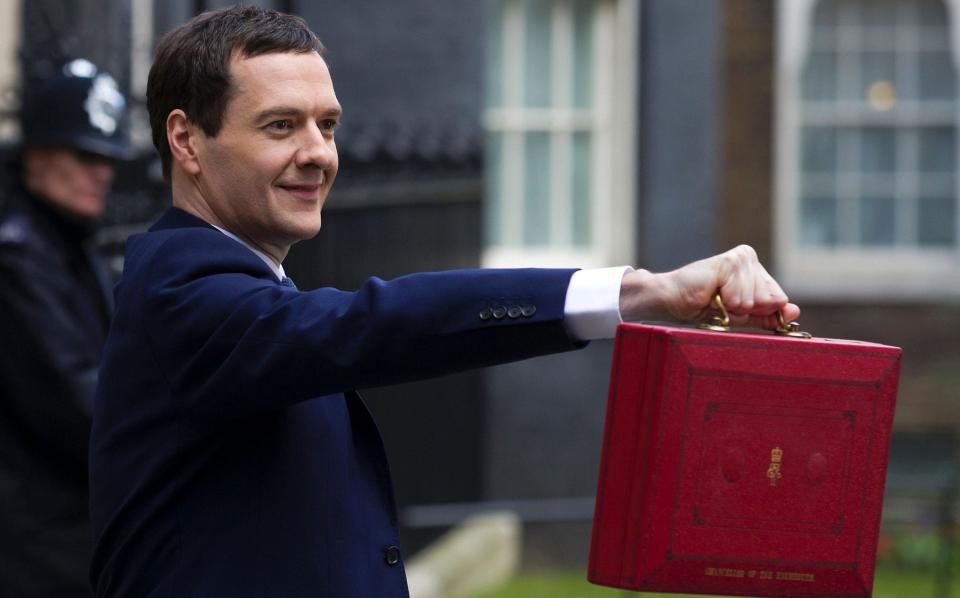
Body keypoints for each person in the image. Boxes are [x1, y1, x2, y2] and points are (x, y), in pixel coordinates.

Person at [89, 6, 800, 597]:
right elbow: (374, 323)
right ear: (186, 139)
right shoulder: (180, 288)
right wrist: (639, 289)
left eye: (328, 125)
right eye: (281, 126)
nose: (319, 154)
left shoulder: (245, 284)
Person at [0, 59, 132, 597]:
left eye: (106, 158)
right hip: (38, 540)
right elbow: (74, 397)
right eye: (83, 155)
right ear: (37, 153)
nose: (101, 172)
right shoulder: (18, 255)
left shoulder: (66, 240)